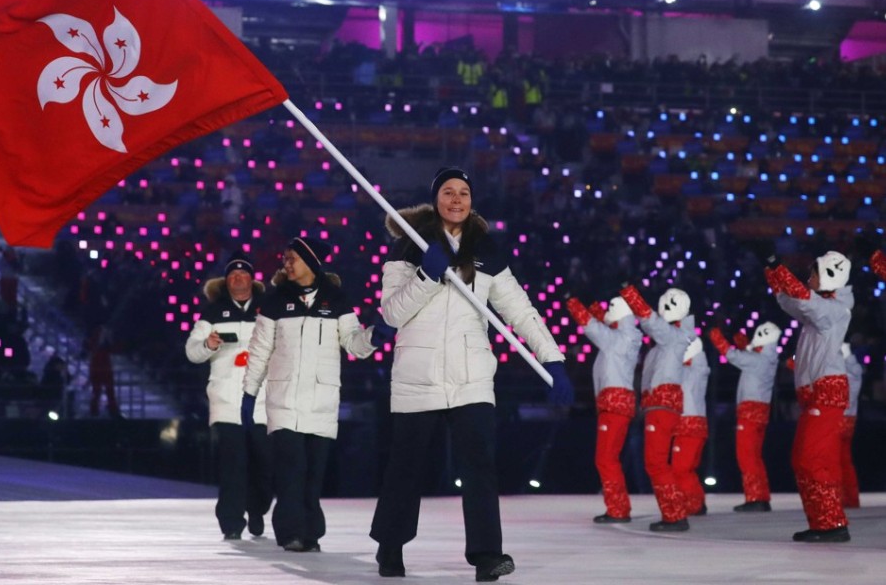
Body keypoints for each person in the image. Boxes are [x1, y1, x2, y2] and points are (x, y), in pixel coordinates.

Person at [369, 167, 572, 582]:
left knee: (479, 466)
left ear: (472, 201)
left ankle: (487, 555)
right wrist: (427, 274)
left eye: (464, 193)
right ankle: (391, 547)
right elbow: (392, 313)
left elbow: (520, 311)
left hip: (471, 375)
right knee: (406, 468)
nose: (456, 200)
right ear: (436, 198)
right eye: (448, 192)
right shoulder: (407, 247)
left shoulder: (488, 250)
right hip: (417, 375)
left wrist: (554, 361)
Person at [241, 237, 388, 553]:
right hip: (284, 401)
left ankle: (310, 532)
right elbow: (260, 349)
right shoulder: (275, 299)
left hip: (321, 402)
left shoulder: (336, 299)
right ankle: (290, 532)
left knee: (313, 473)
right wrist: (249, 393)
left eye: (292, 258)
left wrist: (376, 336)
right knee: (291, 469)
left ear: (310, 262)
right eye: (285, 258)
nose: (286, 264)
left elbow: (353, 344)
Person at [766, 251, 853, 542]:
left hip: (826, 391)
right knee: (807, 459)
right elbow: (789, 300)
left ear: (830, 275)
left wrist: (779, 265)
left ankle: (831, 524)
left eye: (814, 273)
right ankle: (824, 522)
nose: (809, 278)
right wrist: (772, 271)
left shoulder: (835, 309)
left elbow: (803, 298)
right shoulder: (820, 310)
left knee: (811, 458)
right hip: (815, 393)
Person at [185, 253, 273, 540]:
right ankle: (231, 523)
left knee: (264, 464)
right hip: (227, 403)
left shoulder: (268, 311)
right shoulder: (212, 313)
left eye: (243, 274)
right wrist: (208, 345)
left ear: (252, 280)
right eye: (232, 275)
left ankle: (258, 508)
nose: (237, 278)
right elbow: (192, 351)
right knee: (232, 467)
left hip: (261, 403)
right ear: (226, 282)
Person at [619, 284, 694, 532]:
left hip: (662, 406)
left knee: (656, 463)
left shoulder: (673, 335)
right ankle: (674, 513)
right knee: (656, 462)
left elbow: (650, 320)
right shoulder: (667, 342)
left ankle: (674, 515)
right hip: (658, 405)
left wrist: (629, 293)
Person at [566, 294, 641, 524]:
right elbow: (601, 324)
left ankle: (618, 509)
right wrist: (593, 307)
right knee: (609, 458)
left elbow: (592, 327)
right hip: (618, 403)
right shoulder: (626, 336)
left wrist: (573, 303)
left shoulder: (616, 340)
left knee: (606, 458)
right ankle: (618, 506)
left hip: (614, 403)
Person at [709, 321, 781, 512]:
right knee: (755, 456)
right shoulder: (767, 357)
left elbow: (732, 355)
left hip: (749, 412)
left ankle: (755, 497)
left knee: (746, 456)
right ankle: (761, 496)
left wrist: (716, 337)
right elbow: (746, 354)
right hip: (761, 411)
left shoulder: (757, 360)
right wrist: (739, 338)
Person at [671, 337, 710, 517]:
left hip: (689, 424)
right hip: (694, 423)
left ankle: (693, 505)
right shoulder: (696, 368)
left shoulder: (692, 369)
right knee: (687, 468)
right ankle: (696, 503)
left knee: (680, 469)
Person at [840, 342, 862, 509]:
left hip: (841, 418)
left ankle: (846, 497)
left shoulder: (850, 372)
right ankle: (849, 497)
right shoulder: (853, 373)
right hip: (848, 418)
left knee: (838, 460)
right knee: (844, 460)